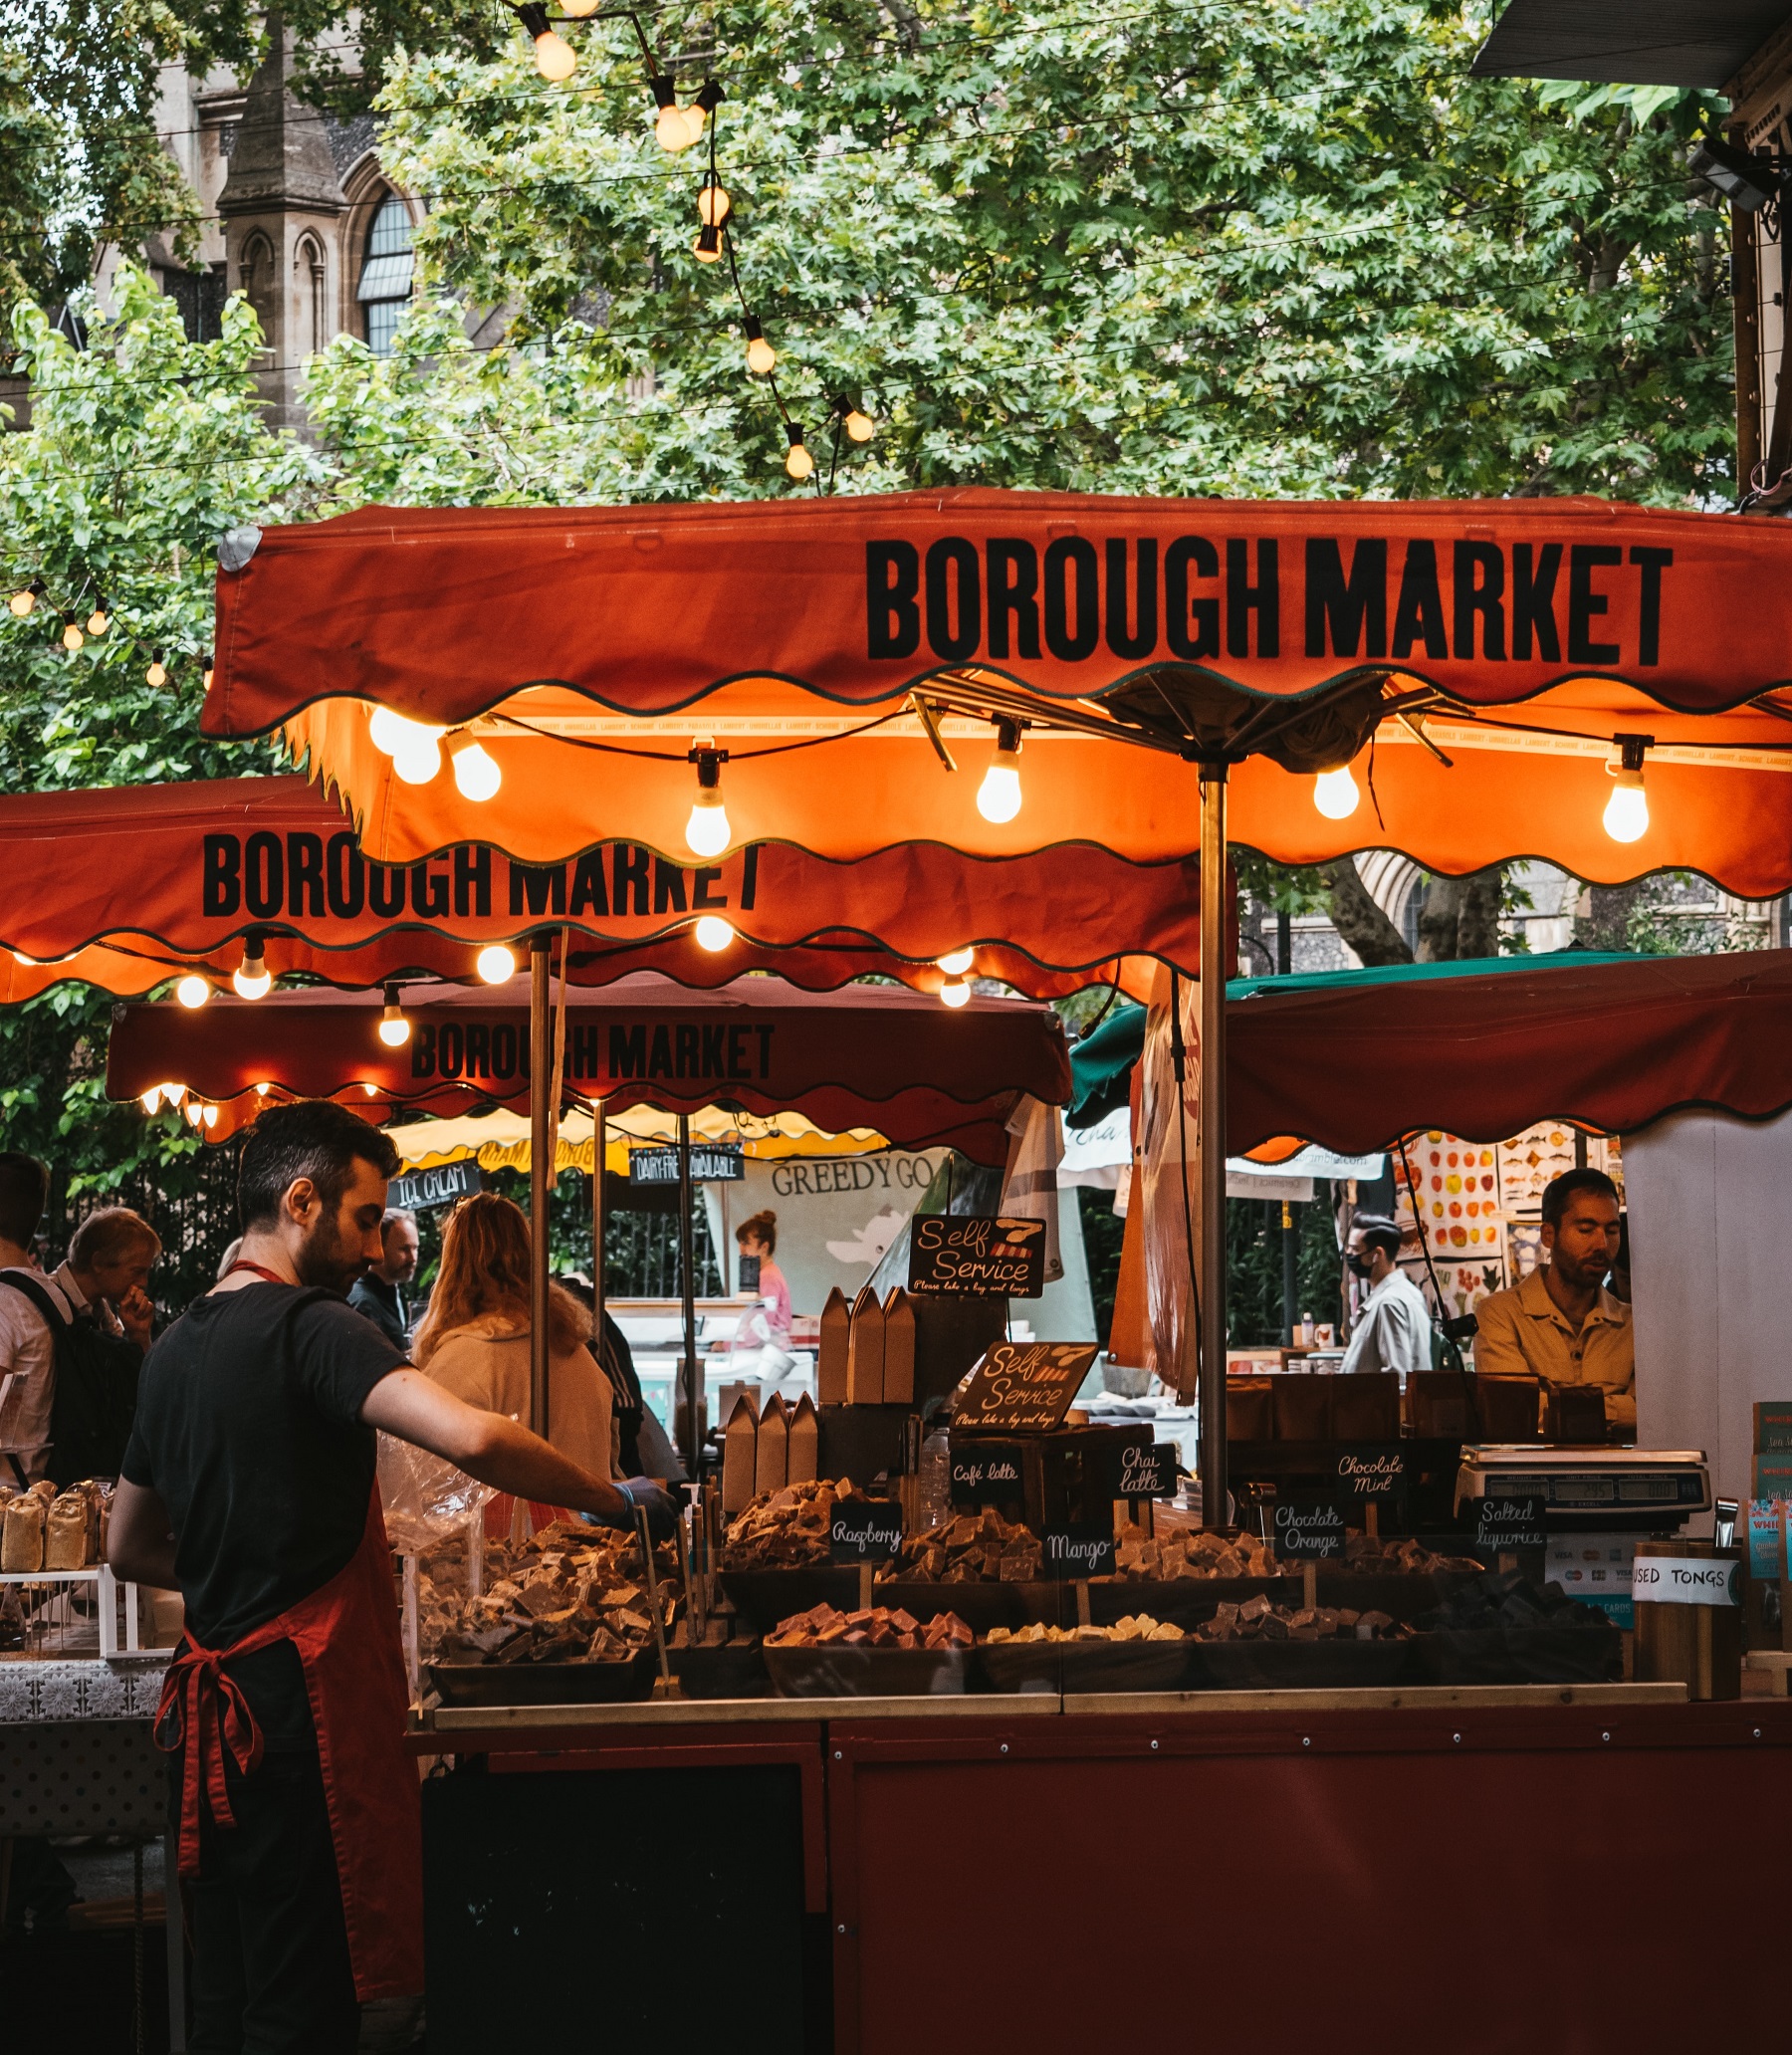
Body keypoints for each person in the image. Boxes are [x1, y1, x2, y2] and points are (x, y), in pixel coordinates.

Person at [106, 1100, 674, 2055]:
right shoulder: (314, 1329)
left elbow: (129, 1543)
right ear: (300, 1200)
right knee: (301, 2007)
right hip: (295, 1723)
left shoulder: (173, 1347)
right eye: (366, 1217)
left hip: (207, 1711)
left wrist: (232, 1572)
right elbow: (477, 1437)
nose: (376, 1247)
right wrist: (614, 1499)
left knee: (223, 1998)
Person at [412, 1193, 614, 1480]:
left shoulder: (459, 1362)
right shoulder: (576, 1352)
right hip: (592, 1522)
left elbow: (434, 1487)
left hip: (520, 1527)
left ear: (452, 1264)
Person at [0, 1179, 159, 1487]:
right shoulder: (41, 1307)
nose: (143, 1283)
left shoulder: (99, 1315)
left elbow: (135, 1390)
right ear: (99, 1263)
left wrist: (138, 1335)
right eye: (137, 1270)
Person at [1473, 1167, 1634, 1430]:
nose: (1602, 1244)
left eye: (1612, 1231)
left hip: (1613, 1471)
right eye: (1585, 1229)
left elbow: (1653, 1412)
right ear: (1549, 1235)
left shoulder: (1632, 1324)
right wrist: (1617, 1410)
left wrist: (1553, 1406)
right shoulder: (1500, 1314)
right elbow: (1514, 1411)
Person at [1339, 1213, 1433, 1379]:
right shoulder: (1409, 1293)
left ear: (1377, 1254)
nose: (1349, 1254)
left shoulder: (1388, 1303)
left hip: (1379, 1405)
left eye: (1356, 1249)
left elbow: (1397, 1377)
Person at [347, 1207, 418, 1349]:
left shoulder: (389, 1292)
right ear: (378, 1248)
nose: (413, 1258)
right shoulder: (364, 1305)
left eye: (415, 1248)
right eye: (404, 1249)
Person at [734, 1210, 791, 1349]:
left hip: (765, 1350)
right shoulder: (768, 1273)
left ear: (764, 1247)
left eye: (746, 1243)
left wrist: (727, 1344)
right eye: (740, 1243)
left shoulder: (768, 1277)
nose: (741, 1249)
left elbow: (760, 1326)